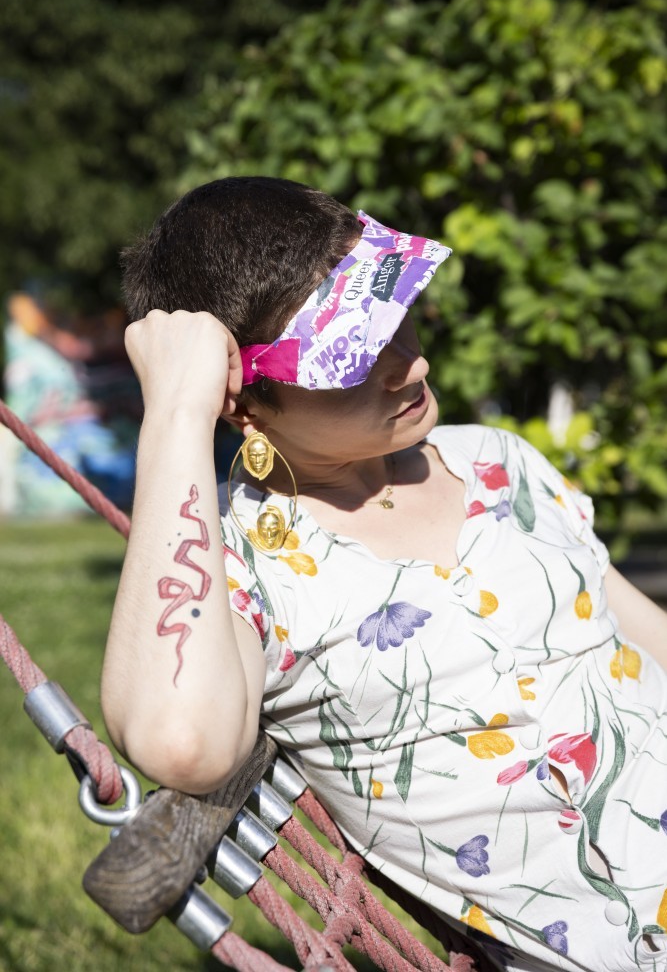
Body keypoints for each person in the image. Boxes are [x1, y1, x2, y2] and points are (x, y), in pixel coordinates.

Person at [102, 176, 667, 972]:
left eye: (400, 321)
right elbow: (179, 740)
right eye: (352, 358)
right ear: (243, 403)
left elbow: (642, 638)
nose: (411, 363)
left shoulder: (495, 462)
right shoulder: (243, 561)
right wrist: (174, 414)